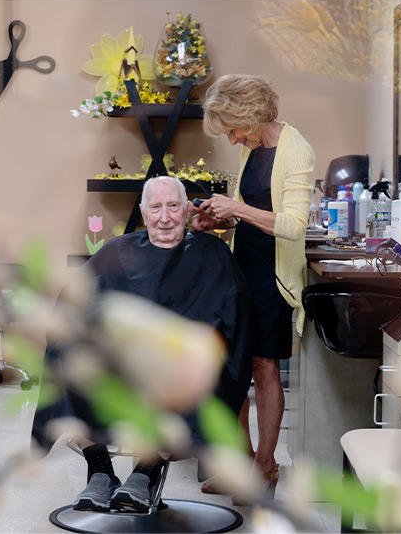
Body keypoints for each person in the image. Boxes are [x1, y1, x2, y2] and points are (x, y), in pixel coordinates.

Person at [31, 176, 253, 513]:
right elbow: (73, 305)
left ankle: (146, 473)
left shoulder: (213, 254)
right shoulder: (117, 251)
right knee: (65, 356)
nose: (165, 217)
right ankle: (100, 472)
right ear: (143, 212)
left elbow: (235, 321)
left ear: (187, 210)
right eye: (156, 207)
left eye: (173, 206)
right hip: (122, 361)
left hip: (180, 364)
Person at [191, 74, 315, 500]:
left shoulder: (296, 151)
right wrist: (220, 220)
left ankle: (266, 466)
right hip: (241, 268)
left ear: (251, 114)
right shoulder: (254, 148)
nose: (232, 139)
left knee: (263, 366)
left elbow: (293, 227)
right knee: (233, 368)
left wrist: (236, 207)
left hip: (273, 275)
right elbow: (251, 214)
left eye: (233, 129)